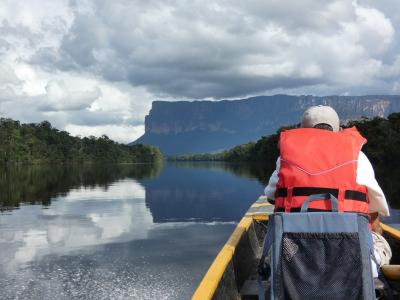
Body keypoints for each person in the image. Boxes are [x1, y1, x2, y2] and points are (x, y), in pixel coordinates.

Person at [264, 105, 392, 276]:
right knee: (375, 223)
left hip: (294, 263)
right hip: (352, 265)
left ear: (301, 131)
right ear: (339, 130)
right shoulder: (358, 157)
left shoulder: (285, 158)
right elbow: (376, 207)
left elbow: (271, 196)